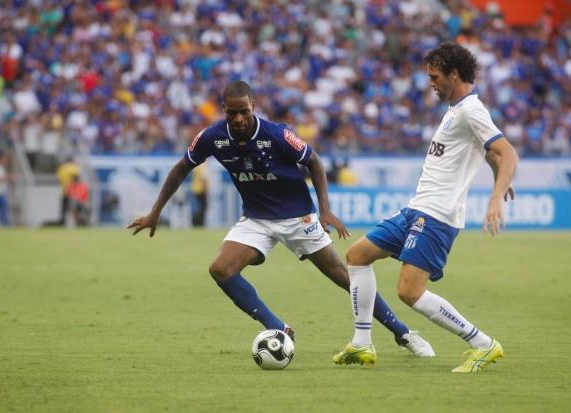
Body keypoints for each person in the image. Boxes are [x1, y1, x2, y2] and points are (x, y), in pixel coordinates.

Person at [127, 80, 433, 356]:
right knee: (220, 269)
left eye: (243, 112)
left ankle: (402, 332)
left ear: (253, 107)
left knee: (345, 277)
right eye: (231, 113)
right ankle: (278, 327)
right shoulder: (213, 137)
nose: (238, 119)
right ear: (224, 110)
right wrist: (155, 212)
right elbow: (182, 166)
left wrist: (324, 209)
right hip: (257, 219)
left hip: (298, 218)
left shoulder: (277, 134)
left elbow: (313, 161)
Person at [333, 42, 519, 372]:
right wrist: (498, 175)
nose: (430, 83)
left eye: (435, 76)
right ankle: (362, 344)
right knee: (357, 256)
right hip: (417, 209)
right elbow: (491, 154)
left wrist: (495, 197)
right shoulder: (457, 111)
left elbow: (508, 153)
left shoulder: (472, 110)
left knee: (409, 291)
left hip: (437, 216)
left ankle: (483, 344)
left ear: (455, 74)